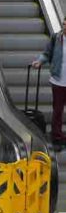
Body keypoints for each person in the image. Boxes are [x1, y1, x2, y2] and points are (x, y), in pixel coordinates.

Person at [33, 16, 66, 149]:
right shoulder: (56, 38)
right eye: (64, 24)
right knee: (57, 110)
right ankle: (57, 137)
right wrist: (40, 61)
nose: (65, 27)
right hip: (58, 81)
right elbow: (47, 53)